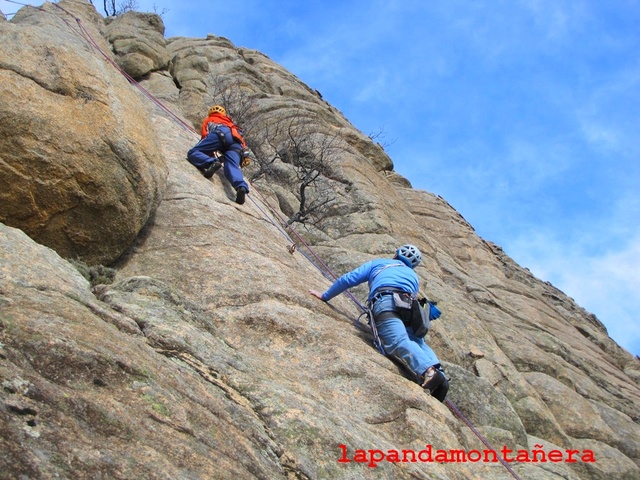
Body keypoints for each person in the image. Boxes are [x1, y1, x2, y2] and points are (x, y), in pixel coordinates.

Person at [309, 244, 448, 401]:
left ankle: (429, 372)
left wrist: (325, 296)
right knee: (416, 340)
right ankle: (440, 376)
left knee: (397, 340)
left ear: (396, 255)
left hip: (386, 301)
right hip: (408, 306)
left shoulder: (379, 263)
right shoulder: (413, 276)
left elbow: (350, 279)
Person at [187, 105, 250, 205]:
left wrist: (210, 156)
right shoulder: (231, 124)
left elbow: (205, 135)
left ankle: (211, 162)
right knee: (232, 166)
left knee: (193, 153)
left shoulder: (210, 119)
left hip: (220, 133)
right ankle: (241, 187)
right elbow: (243, 146)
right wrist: (244, 157)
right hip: (236, 143)